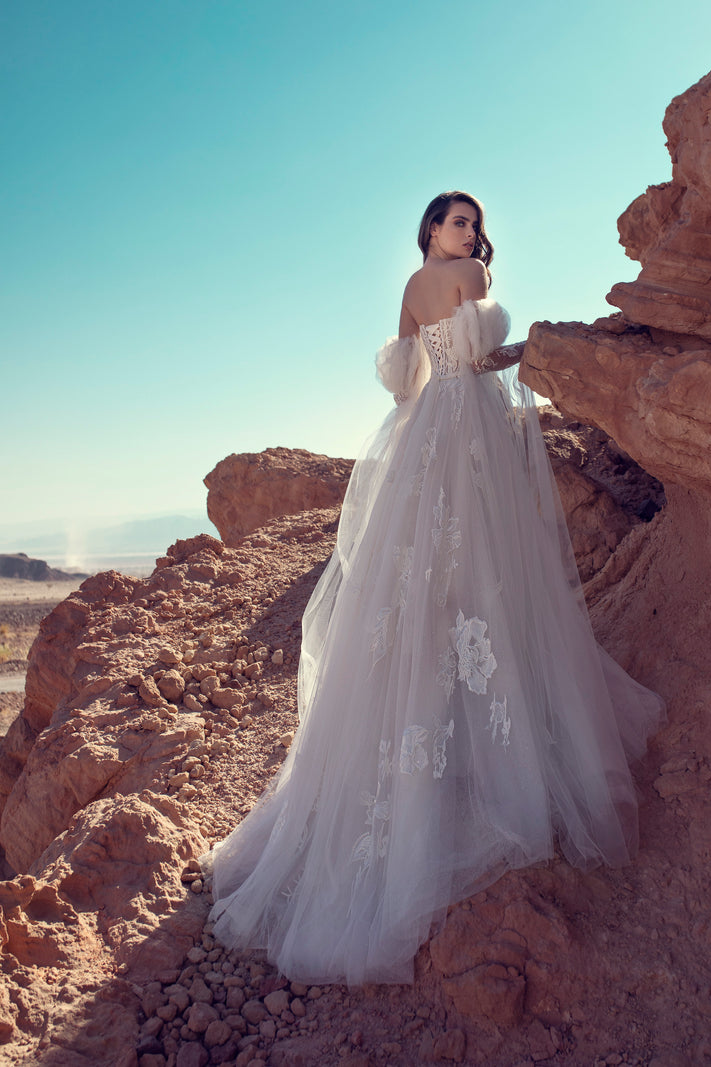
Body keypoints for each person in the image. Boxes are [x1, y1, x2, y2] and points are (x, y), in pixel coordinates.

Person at [204, 191, 666, 986]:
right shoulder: (473, 277)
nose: (471, 234)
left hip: (423, 436)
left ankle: (441, 738)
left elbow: (403, 383)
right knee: (486, 573)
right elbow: (481, 357)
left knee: (425, 585)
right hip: (470, 427)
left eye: (474, 225)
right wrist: (528, 351)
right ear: (432, 229)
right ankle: (490, 754)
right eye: (458, 222)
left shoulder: (413, 289)